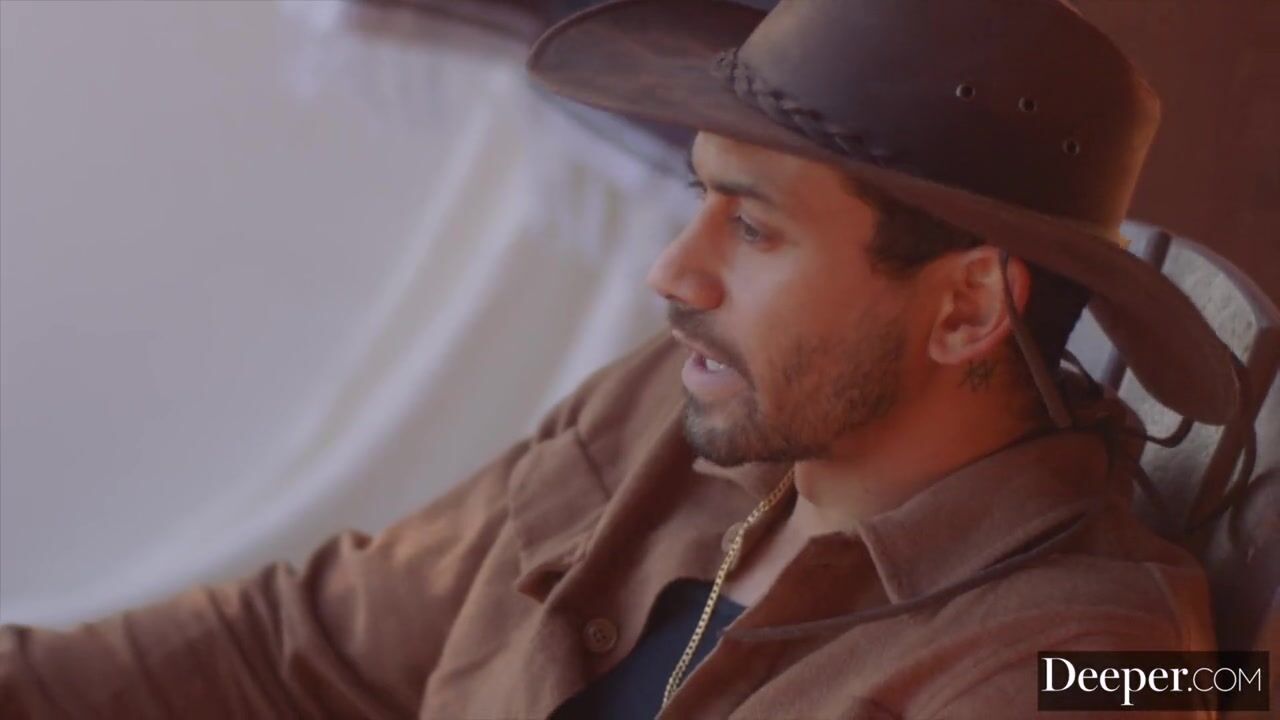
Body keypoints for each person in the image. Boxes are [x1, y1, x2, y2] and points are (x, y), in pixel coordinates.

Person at [0, 0, 1245, 718]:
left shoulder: (1076, 665)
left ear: (966, 309)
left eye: (753, 228)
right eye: (700, 198)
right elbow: (301, 641)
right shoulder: (676, 410)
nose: (672, 272)